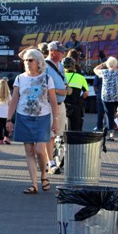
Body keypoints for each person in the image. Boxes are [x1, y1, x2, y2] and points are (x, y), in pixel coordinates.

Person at [6, 49, 58, 194]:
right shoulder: (20, 78)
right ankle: (34, 184)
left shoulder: (47, 78)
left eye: (30, 60)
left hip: (43, 117)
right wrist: (9, 119)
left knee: (40, 150)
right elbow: (14, 99)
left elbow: (53, 102)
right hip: (23, 116)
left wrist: (55, 120)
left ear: (38, 62)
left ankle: (44, 175)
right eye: (25, 60)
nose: (27, 63)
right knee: (29, 151)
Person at [44, 41, 69, 172]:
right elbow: (43, 86)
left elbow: (64, 81)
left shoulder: (60, 65)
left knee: (56, 134)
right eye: (61, 52)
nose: (63, 54)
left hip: (61, 104)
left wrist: (66, 88)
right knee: (50, 134)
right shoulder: (44, 66)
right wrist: (59, 91)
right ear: (53, 52)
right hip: (49, 105)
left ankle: (50, 159)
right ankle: (50, 161)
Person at [93, 57, 118, 140]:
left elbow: (95, 69)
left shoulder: (104, 72)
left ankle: (111, 134)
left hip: (106, 97)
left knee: (109, 115)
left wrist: (103, 64)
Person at [63, 57, 89, 131]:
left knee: (61, 128)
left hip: (63, 105)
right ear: (74, 66)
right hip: (76, 105)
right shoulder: (81, 77)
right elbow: (86, 93)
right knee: (77, 129)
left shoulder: (61, 77)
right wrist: (80, 99)